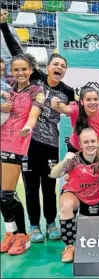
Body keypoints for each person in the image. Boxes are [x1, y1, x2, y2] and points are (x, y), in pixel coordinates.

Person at [2, 9, 74, 243]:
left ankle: (51, 223)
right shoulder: (37, 79)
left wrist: (67, 108)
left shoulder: (67, 91)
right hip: (27, 143)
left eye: (62, 66)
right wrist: (3, 25)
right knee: (31, 188)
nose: (59, 68)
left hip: (51, 145)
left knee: (49, 188)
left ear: (65, 71)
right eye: (56, 64)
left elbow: (77, 112)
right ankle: (34, 226)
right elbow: (17, 53)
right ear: (48, 66)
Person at [0, 54, 44, 255]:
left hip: (15, 143)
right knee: (0, 195)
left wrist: (28, 126)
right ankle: (10, 232)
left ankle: (23, 237)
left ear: (31, 70)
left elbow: (34, 112)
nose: (20, 73)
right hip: (1, 138)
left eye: (24, 69)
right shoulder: (7, 87)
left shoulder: (36, 90)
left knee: (7, 194)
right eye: (16, 69)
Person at [49, 128, 99, 263]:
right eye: (86, 142)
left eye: (93, 141)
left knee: (91, 238)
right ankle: (69, 246)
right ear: (80, 145)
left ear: (98, 142)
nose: (90, 144)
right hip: (74, 194)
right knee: (66, 205)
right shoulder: (74, 159)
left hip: (94, 199)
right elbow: (53, 174)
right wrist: (64, 161)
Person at [51, 87, 99, 152]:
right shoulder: (76, 110)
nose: (93, 102)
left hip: (97, 150)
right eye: (88, 100)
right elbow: (63, 108)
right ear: (82, 102)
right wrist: (55, 102)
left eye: (95, 99)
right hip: (76, 149)